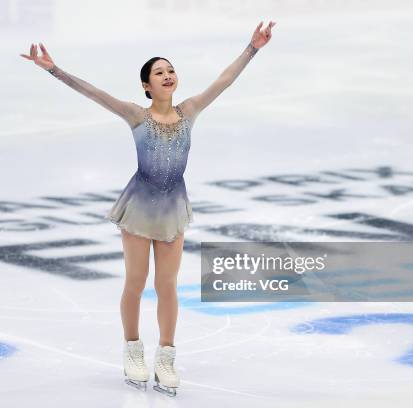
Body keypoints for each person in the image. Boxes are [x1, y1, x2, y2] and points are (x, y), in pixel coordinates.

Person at [20, 20, 276, 397]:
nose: (168, 75)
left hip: (172, 207)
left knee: (168, 285)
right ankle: (133, 351)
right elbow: (95, 93)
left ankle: (166, 356)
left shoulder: (189, 111)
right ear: (146, 85)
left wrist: (252, 49)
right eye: (159, 72)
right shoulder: (136, 116)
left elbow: (223, 80)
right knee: (136, 283)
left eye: (171, 70)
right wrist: (55, 70)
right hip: (140, 208)